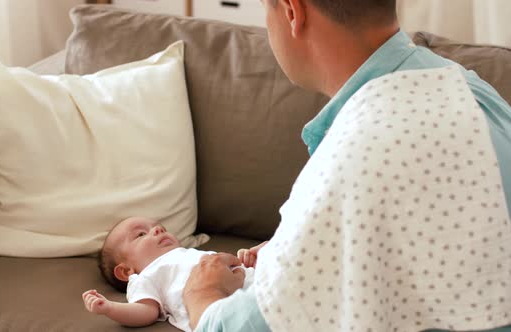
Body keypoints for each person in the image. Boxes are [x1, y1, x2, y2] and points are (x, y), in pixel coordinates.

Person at [183, 0, 511, 331]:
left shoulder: (358, 154)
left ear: (292, 12)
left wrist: (202, 293)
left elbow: (243, 326)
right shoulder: (474, 91)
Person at [81, 216, 263, 332]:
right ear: (126, 270)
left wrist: (248, 258)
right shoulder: (146, 276)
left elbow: (231, 265)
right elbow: (146, 311)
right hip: (223, 312)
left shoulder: (189, 254)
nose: (158, 230)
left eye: (159, 227)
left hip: (258, 282)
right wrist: (110, 308)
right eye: (141, 234)